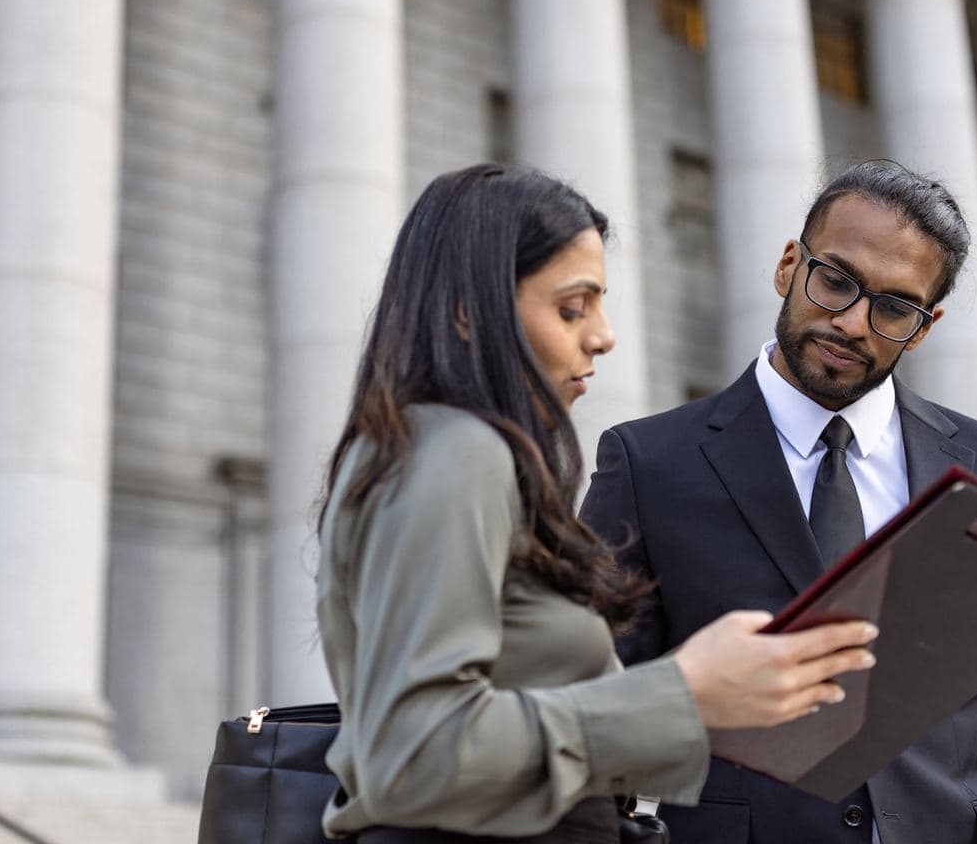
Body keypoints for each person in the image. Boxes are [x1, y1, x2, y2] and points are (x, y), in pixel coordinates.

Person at [581, 161, 977, 844]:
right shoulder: (650, 465)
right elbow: (590, 696)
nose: (853, 323)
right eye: (836, 281)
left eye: (893, 308)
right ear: (788, 266)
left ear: (923, 327)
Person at [314, 164, 878, 842]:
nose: (604, 335)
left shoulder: (441, 450)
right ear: (469, 311)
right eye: (572, 308)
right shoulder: (457, 451)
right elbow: (412, 753)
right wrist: (686, 690)